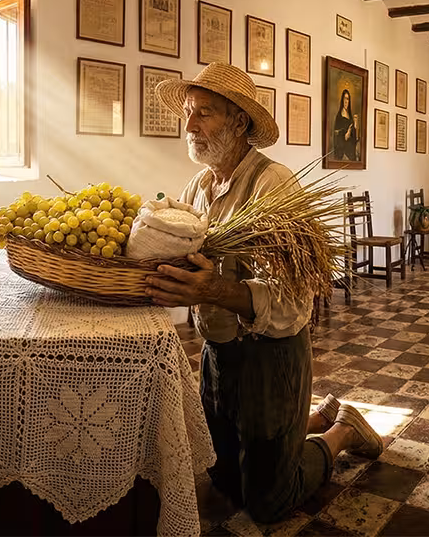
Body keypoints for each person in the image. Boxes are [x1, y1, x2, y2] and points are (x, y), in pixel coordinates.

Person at [148, 63, 384, 523]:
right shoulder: (198, 187)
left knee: (268, 501)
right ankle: (305, 423)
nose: (190, 125)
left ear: (239, 122)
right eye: (189, 113)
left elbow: (295, 303)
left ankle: (341, 431)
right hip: (218, 357)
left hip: (269, 356)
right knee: (222, 480)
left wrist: (213, 287)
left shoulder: (272, 185)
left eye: (205, 114)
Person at [332, 89, 359, 161]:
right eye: (344, 98)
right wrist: (345, 134)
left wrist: (355, 124)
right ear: (342, 100)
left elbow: (354, 136)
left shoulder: (349, 116)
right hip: (343, 150)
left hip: (350, 148)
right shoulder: (339, 116)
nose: (346, 101)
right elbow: (336, 134)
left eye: (347, 99)